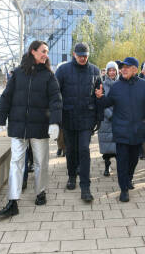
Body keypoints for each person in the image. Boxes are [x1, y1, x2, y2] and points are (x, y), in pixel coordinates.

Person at [0, 40, 62, 216]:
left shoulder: (48, 76)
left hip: (40, 127)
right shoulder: (18, 74)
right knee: (16, 162)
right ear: (33, 51)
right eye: (43, 51)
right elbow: (6, 96)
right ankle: (13, 201)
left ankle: (40, 191)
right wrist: (1, 117)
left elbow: (56, 100)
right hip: (18, 126)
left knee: (41, 162)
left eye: (46, 52)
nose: (46, 54)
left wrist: (55, 122)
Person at [96, 57, 145, 202]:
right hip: (121, 130)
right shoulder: (116, 86)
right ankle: (124, 189)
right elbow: (107, 103)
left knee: (133, 159)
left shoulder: (143, 84)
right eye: (121, 67)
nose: (123, 70)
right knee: (122, 160)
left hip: (137, 130)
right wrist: (100, 97)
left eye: (126, 67)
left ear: (135, 69)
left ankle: (129, 178)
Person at [55, 42, 102, 202]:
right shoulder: (63, 70)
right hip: (68, 118)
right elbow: (56, 95)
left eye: (85, 55)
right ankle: (71, 176)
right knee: (71, 150)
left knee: (84, 150)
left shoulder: (95, 71)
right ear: (74, 54)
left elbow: (99, 96)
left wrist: (98, 118)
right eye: (80, 55)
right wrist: (56, 118)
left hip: (86, 119)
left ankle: (85, 187)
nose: (82, 58)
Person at [98, 61, 119, 176]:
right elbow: (100, 101)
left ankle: (119, 166)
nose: (111, 72)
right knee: (106, 147)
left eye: (113, 70)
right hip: (106, 120)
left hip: (119, 119)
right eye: (109, 70)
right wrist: (110, 114)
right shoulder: (102, 84)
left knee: (118, 146)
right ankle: (107, 166)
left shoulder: (121, 83)